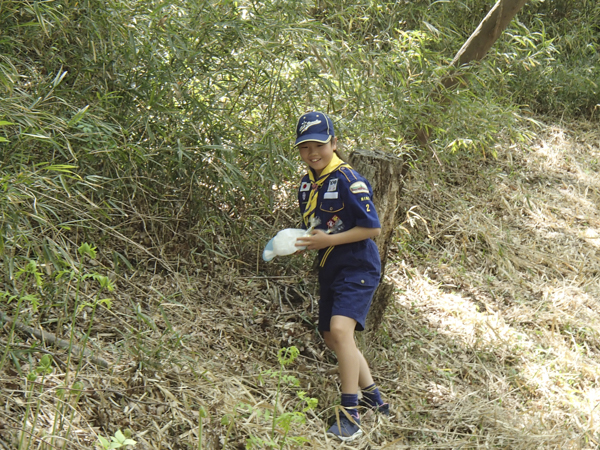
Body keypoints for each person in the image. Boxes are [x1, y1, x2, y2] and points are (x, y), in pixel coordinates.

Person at [293, 111, 389, 442]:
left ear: (334, 143)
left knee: (340, 330)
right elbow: (317, 227)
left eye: (319, 144)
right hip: (330, 266)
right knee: (330, 336)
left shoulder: (349, 179)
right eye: (305, 147)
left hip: (358, 265)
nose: (312, 153)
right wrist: (303, 243)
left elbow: (373, 227)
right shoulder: (307, 183)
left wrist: (328, 241)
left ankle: (351, 414)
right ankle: (375, 397)